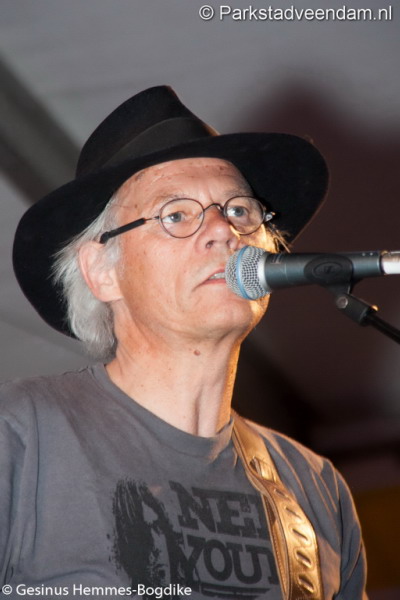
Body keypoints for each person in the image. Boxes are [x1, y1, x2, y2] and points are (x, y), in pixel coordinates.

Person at [1, 86, 367, 599]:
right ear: (102, 271)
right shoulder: (20, 434)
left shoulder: (314, 485)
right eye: (175, 215)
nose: (224, 230)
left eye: (240, 210)